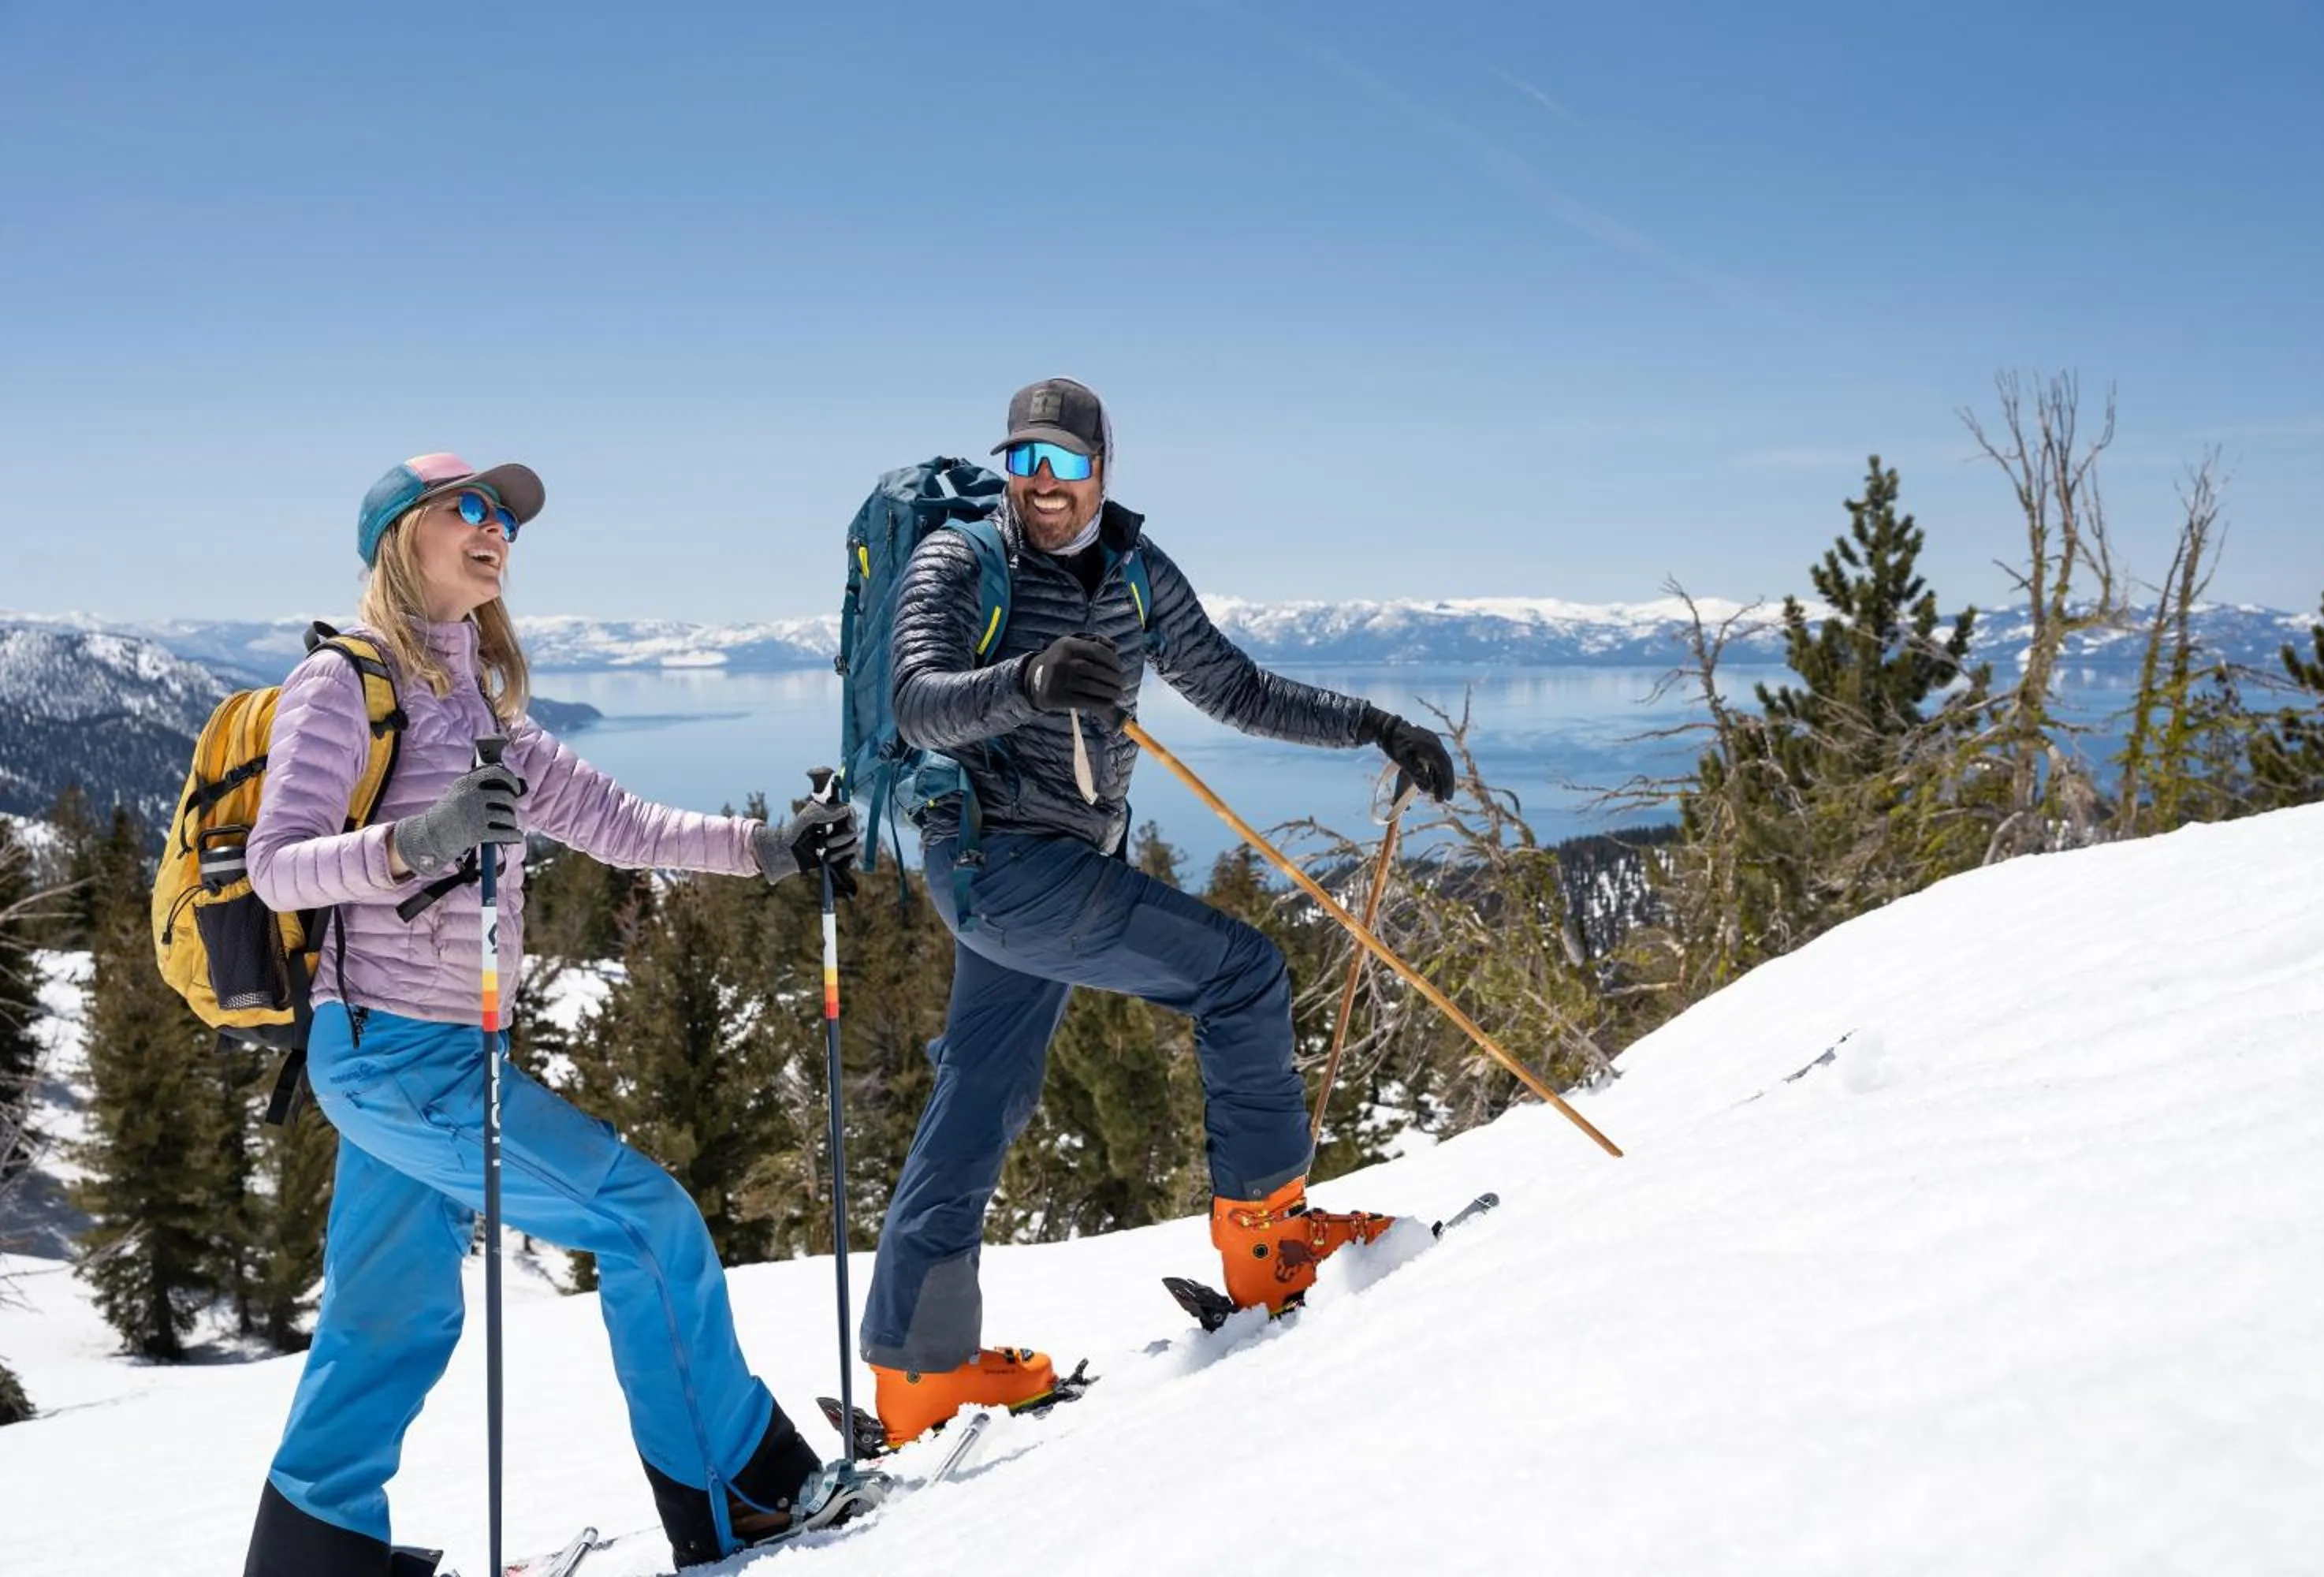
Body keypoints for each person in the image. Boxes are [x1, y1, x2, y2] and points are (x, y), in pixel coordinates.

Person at [240, 453, 877, 1576]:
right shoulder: (344, 684)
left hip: (423, 1057)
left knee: (387, 1317)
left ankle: (311, 1559)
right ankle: (738, 1494)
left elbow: (622, 823)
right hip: (393, 1056)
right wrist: (420, 841)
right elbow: (280, 867)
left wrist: (774, 847)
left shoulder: (477, 703)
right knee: (647, 1223)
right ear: (401, 537)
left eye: (508, 519)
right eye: (469, 510)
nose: (498, 531)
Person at [858, 378, 1457, 1445]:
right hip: (997, 862)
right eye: (1023, 463)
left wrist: (1372, 724)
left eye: (1064, 465)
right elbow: (915, 700)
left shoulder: (1135, 570)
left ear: (1103, 469)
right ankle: (1272, 1247)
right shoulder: (960, 560)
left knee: (983, 1087)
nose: (1042, 487)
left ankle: (921, 1372)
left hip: (1054, 863)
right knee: (1243, 974)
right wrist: (1030, 680)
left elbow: (1232, 687)